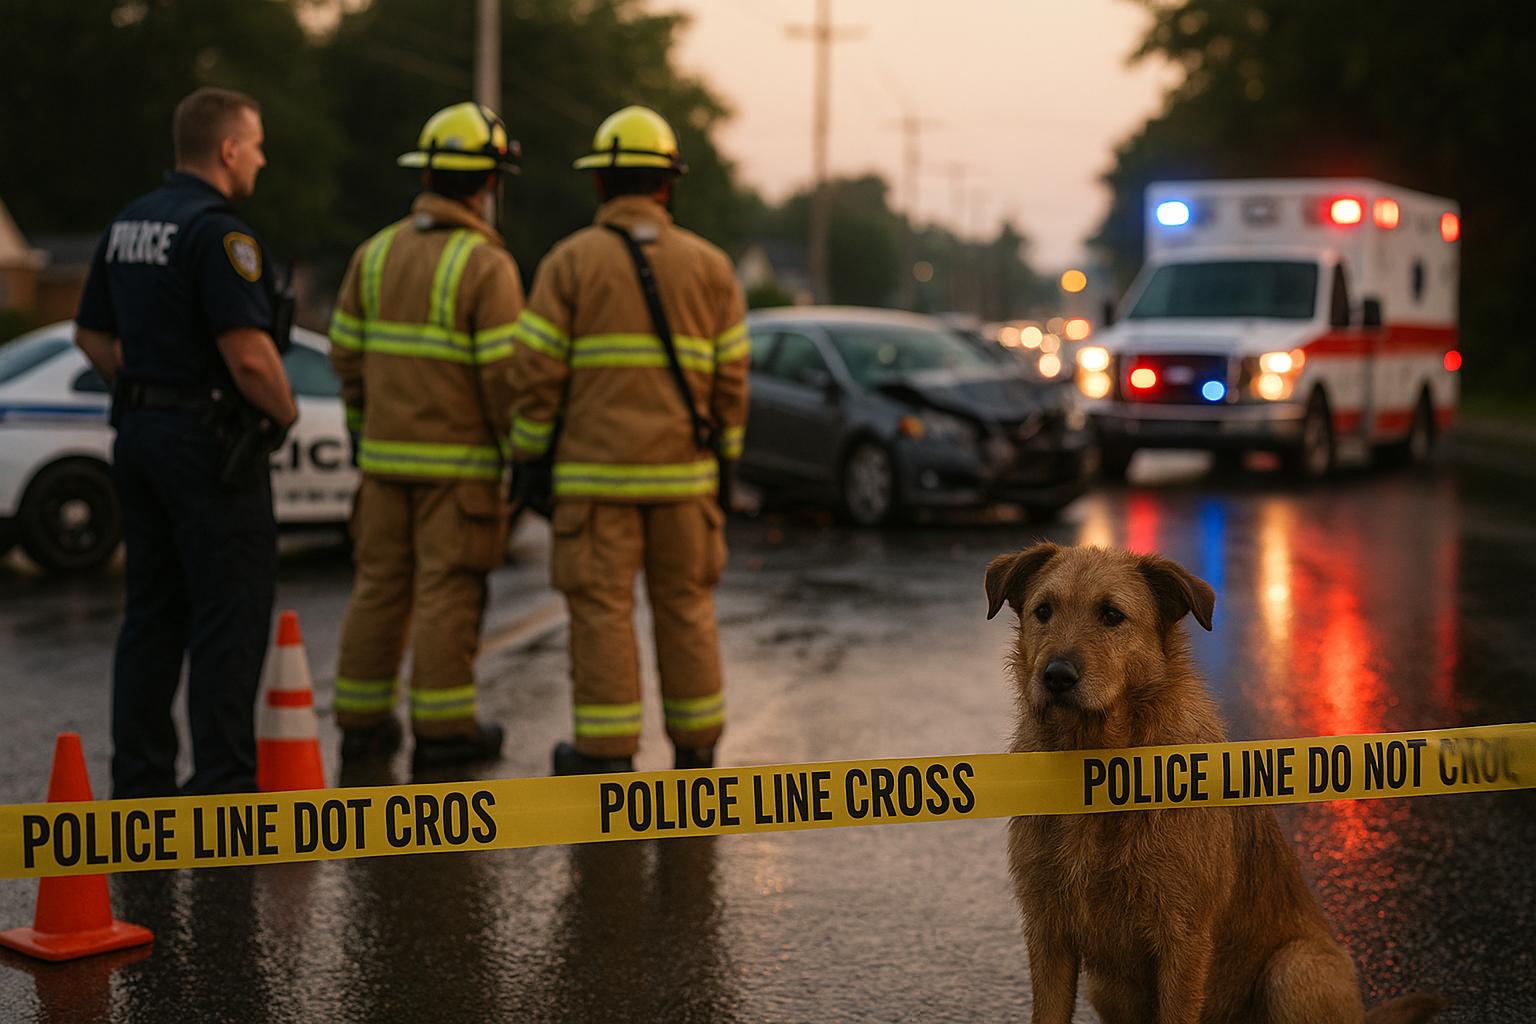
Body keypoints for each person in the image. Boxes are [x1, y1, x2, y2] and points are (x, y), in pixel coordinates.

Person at [508, 106, 750, 776]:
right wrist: (725, 461)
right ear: (667, 185)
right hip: (686, 482)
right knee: (687, 608)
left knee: (602, 613)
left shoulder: (569, 263)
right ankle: (697, 748)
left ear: (600, 186)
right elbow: (732, 380)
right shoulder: (710, 266)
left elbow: (535, 375)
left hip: (595, 483)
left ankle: (605, 755)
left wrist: (529, 456)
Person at [74, 87, 298, 798]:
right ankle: (222, 790)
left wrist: (146, 387)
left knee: (152, 614)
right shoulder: (220, 234)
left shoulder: (128, 224)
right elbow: (251, 357)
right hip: (207, 446)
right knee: (227, 618)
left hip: (139, 434)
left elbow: (90, 334)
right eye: (256, 145)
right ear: (227, 149)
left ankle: (141, 787)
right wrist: (284, 414)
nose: (261, 158)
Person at [328, 102, 523, 768]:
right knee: (448, 590)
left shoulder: (374, 254)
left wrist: (364, 431)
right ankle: (443, 733)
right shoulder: (486, 265)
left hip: (382, 463)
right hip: (458, 470)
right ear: (487, 182)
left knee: (379, 585)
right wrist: (518, 451)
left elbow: (345, 356)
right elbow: (504, 380)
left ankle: (361, 723)